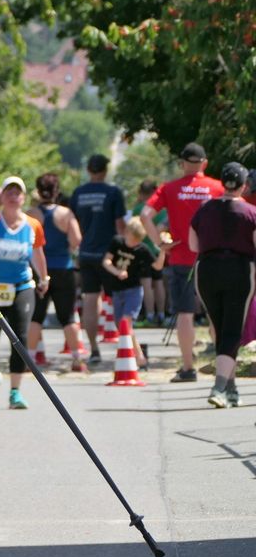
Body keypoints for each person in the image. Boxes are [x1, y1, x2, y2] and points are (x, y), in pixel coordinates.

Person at [141, 143, 224, 382]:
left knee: (185, 314)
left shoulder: (169, 188)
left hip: (180, 258)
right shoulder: (217, 188)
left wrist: (160, 243)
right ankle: (223, 367)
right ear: (204, 164)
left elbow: (145, 215)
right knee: (215, 313)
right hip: (212, 257)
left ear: (182, 164)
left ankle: (188, 368)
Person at [0, 176, 49, 409]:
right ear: (2, 197)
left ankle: (15, 391)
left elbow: (37, 254)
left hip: (21, 287)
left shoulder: (33, 225)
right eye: (9, 192)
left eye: (17, 193)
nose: (13, 197)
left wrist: (44, 277)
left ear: (23, 198)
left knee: (20, 338)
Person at [189, 162, 256, 407]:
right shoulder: (250, 213)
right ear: (244, 185)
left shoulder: (204, 209)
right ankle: (218, 388)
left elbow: (193, 245)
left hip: (207, 270)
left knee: (220, 329)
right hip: (239, 270)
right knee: (232, 332)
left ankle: (231, 388)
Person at [70, 153, 127, 365]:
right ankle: (126, 346)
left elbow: (72, 223)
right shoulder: (113, 192)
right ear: (105, 170)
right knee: (120, 298)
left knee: (90, 300)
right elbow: (120, 225)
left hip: (86, 254)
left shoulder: (78, 193)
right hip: (109, 255)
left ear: (88, 170)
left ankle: (94, 349)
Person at [27, 172, 85, 371]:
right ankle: (77, 359)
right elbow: (76, 240)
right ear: (57, 191)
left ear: (38, 191)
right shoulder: (66, 214)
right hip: (64, 269)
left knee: (36, 316)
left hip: (38, 269)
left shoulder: (31, 214)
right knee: (67, 317)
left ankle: (29, 359)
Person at [102, 217, 168, 370]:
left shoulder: (142, 249)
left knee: (126, 323)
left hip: (134, 290)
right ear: (126, 233)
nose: (134, 244)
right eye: (132, 240)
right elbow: (106, 261)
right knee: (120, 325)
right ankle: (135, 352)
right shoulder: (117, 242)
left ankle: (139, 357)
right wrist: (117, 272)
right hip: (117, 290)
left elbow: (158, 266)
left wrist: (163, 251)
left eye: (137, 241)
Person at [130, 178, 168, 326]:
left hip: (143, 250)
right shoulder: (162, 209)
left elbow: (133, 229)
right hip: (159, 250)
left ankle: (150, 314)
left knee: (146, 283)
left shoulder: (139, 209)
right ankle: (162, 314)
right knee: (158, 282)